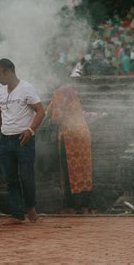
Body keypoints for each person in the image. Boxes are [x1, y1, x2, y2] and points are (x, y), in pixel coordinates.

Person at [0, 58, 45, 222]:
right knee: (10, 178)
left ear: (9, 71)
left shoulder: (26, 88)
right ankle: (17, 213)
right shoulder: (0, 93)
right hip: (5, 140)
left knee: (26, 176)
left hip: (23, 139)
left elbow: (41, 111)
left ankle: (31, 209)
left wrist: (30, 130)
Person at [46, 86, 92, 214]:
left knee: (69, 172)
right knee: (84, 171)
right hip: (83, 135)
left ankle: (71, 206)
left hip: (70, 138)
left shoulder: (60, 93)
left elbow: (56, 117)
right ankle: (84, 206)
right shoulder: (72, 93)